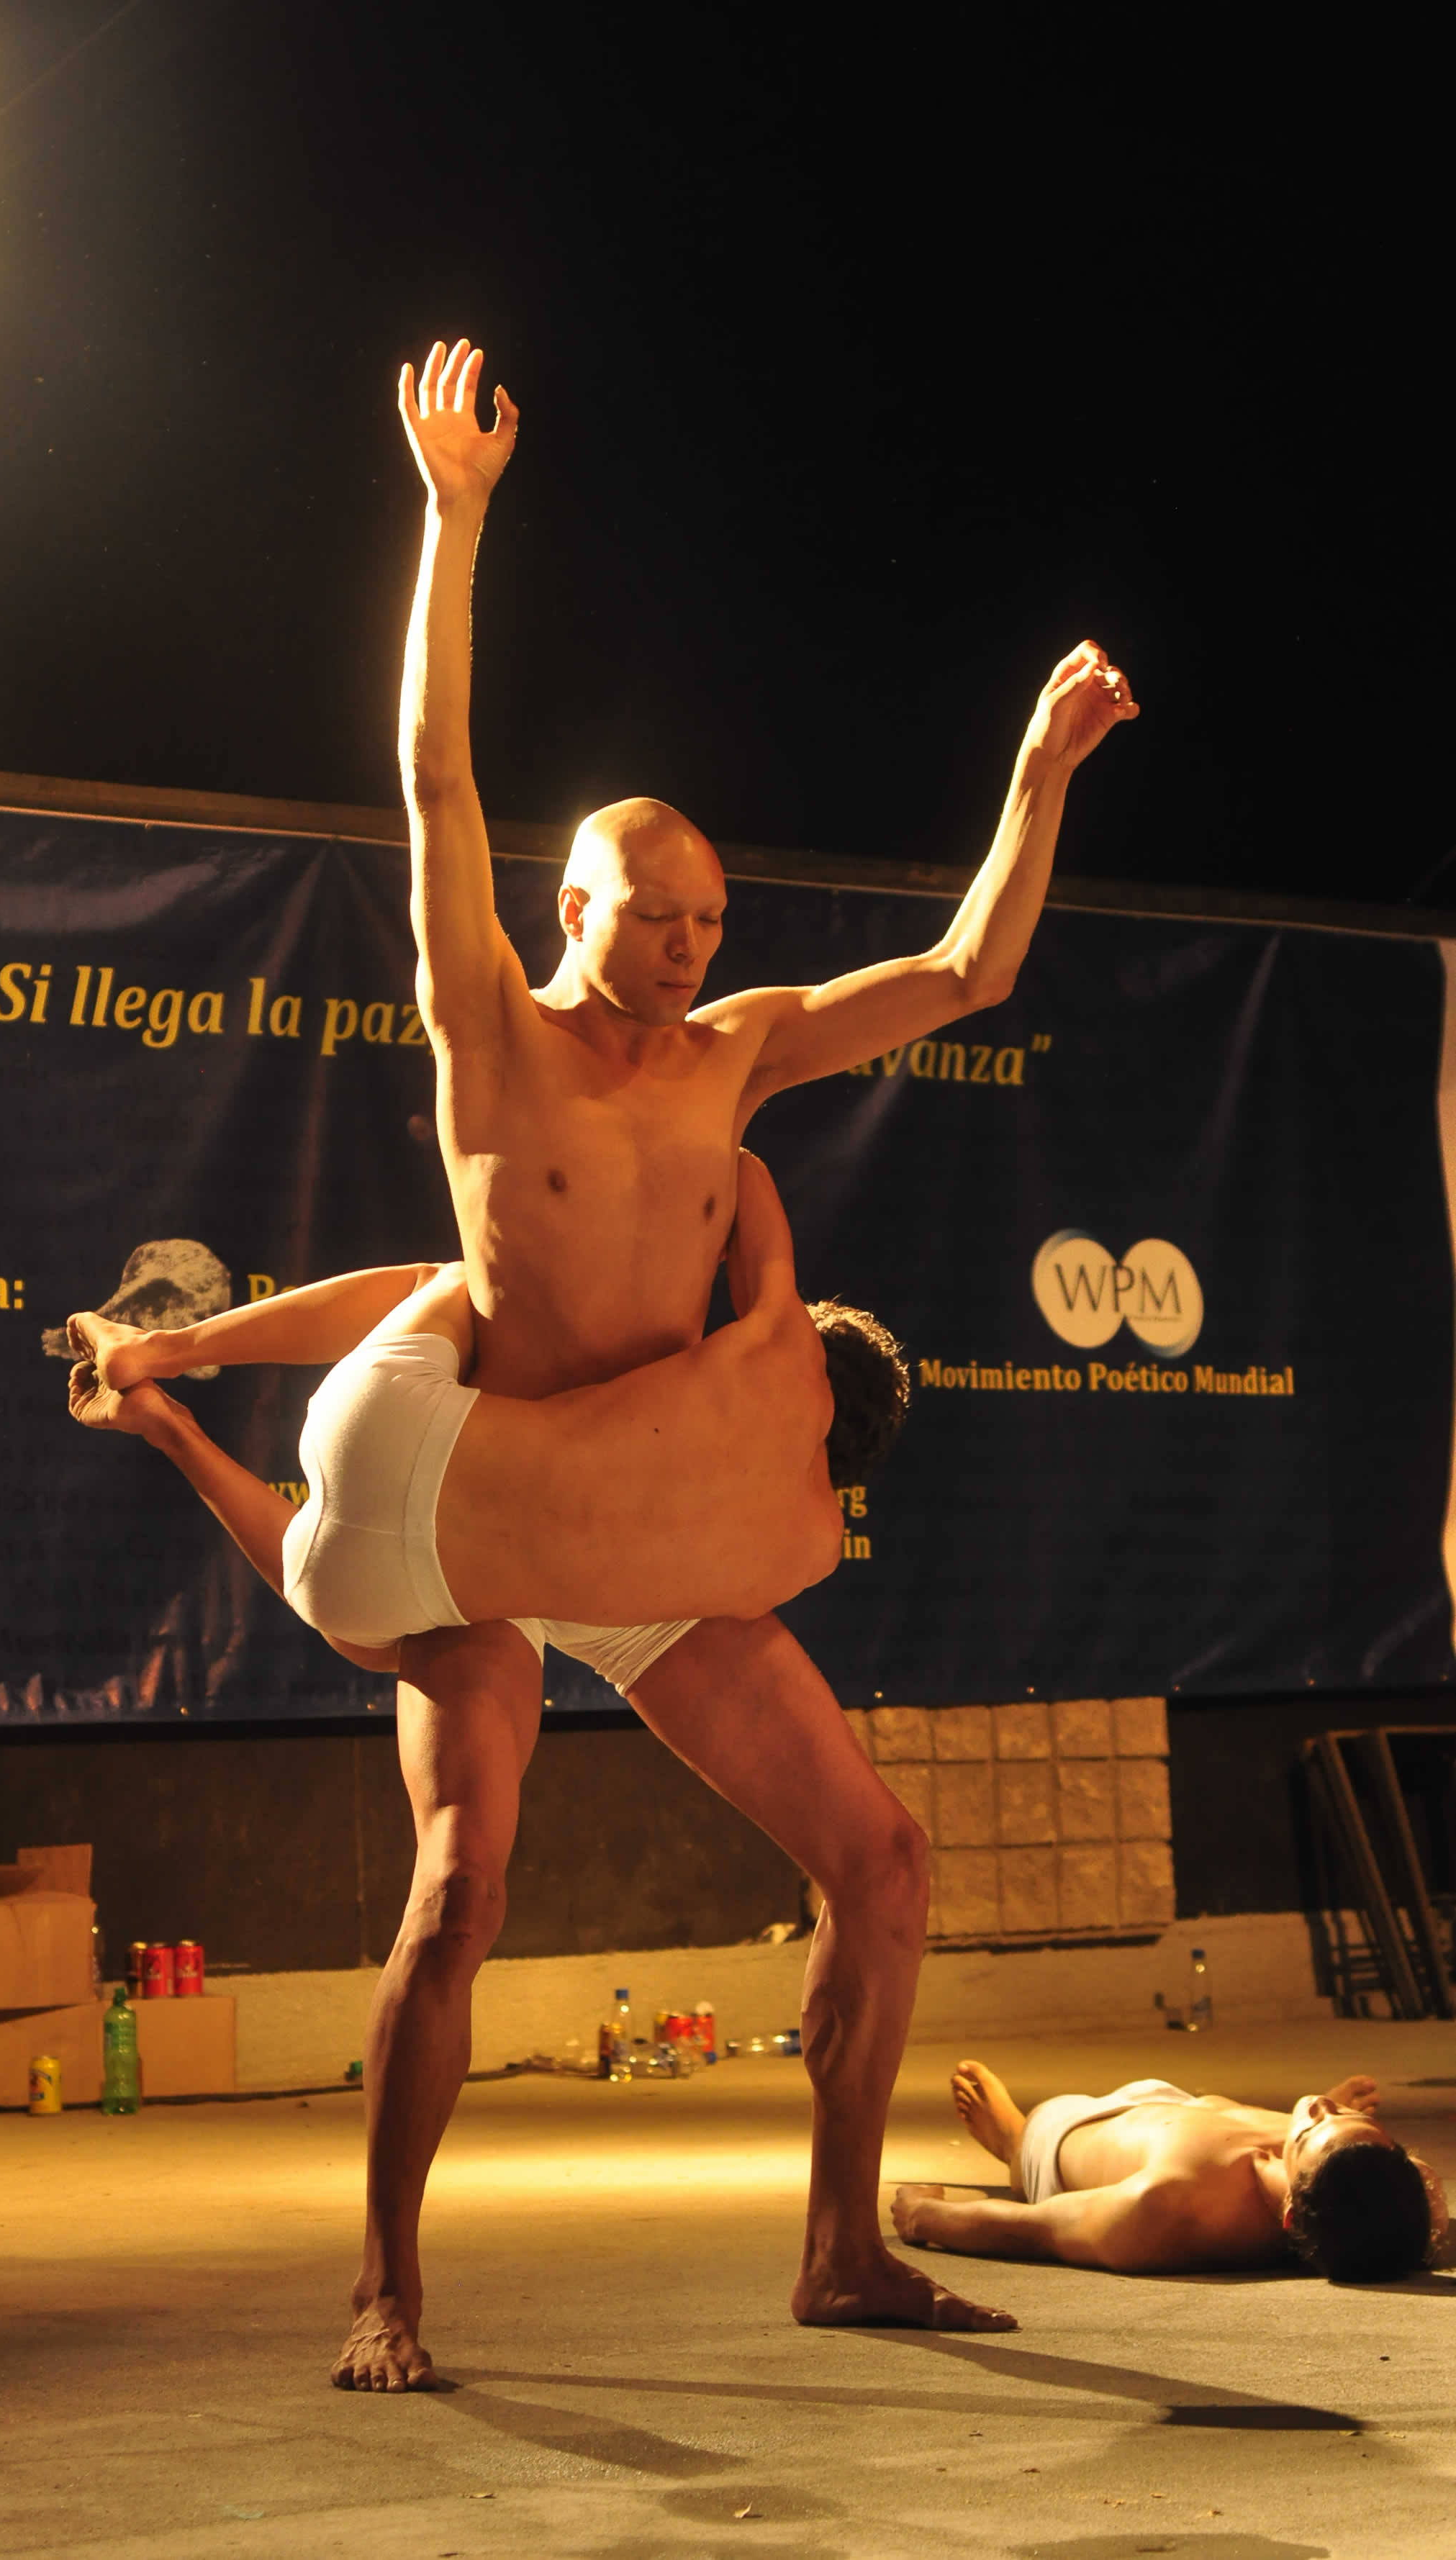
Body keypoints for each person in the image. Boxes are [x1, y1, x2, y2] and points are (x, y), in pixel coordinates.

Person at [330, 334, 1140, 2392]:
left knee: (879, 1854)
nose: (687, 944)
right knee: (461, 1889)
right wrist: (454, 521)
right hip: (494, 1499)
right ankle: (386, 2285)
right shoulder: (488, 1027)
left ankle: (842, 2245)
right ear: (570, 896)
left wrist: (1032, 782)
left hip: (657, 1529)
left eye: (710, 915)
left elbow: (971, 968)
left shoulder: (745, 1046)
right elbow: (433, 773)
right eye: (653, 909)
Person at [66, 1154, 908, 1657]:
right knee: (367, 1584)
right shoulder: (811, 1553)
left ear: (814, 1359)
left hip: (387, 1432)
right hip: (352, 1603)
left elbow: (738, 1166)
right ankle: (171, 1432)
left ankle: (162, 1350)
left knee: (456, 1283)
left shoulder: (780, 1355)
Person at [890, 2058, 1447, 2280]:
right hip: (1182, 2111)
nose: (1322, 2107)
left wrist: (926, 2215)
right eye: (1341, 2115)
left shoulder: (1172, 2206)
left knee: (1036, 2137)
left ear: (1292, 2208)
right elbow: (1404, 2190)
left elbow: (1042, 2228)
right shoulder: (1369, 2197)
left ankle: (1010, 2139)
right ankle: (1327, 2144)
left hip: (1072, 2135)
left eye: (1314, 2125)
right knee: (1329, 2147)